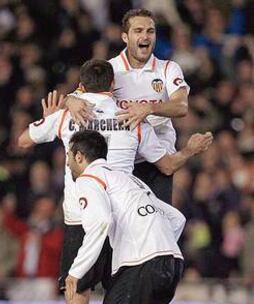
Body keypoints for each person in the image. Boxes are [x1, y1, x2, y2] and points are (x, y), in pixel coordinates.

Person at [18, 59, 212, 304]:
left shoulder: (68, 116)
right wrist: (190, 150)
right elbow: (168, 165)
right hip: (123, 220)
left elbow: (23, 141)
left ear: (81, 85)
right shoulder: (132, 118)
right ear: (112, 84)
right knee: (120, 289)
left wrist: (52, 118)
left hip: (81, 215)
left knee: (78, 289)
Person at [66, 9, 190, 204]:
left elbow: (181, 106)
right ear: (125, 36)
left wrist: (149, 108)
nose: (145, 36)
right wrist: (70, 100)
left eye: (150, 31)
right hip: (122, 163)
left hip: (159, 160)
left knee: (157, 226)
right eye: (138, 31)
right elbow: (77, 96)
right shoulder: (111, 69)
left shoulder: (168, 68)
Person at [65, 130, 186, 304]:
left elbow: (101, 221)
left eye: (68, 156)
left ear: (79, 156)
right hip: (172, 264)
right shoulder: (129, 179)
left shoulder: (89, 178)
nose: (68, 164)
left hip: (141, 264)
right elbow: (176, 218)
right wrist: (160, 247)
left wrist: (76, 271)